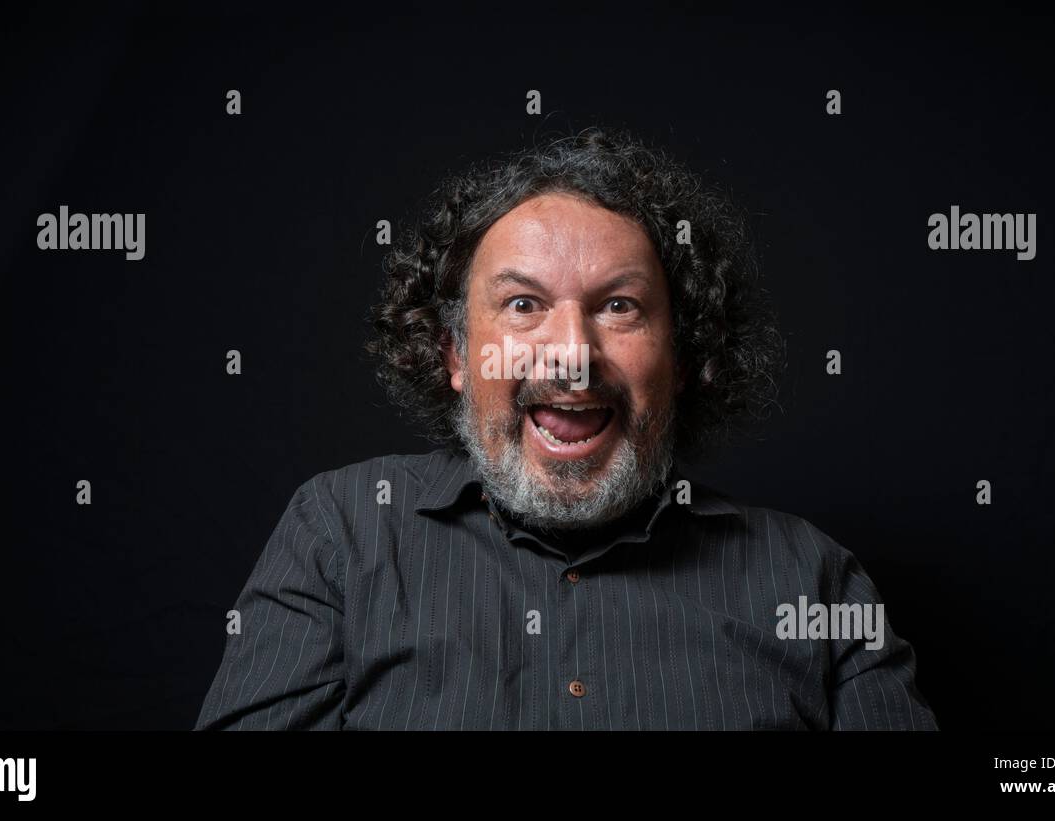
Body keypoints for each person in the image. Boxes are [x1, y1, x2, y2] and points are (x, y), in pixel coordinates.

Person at [195, 127, 938, 730]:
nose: (572, 354)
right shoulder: (341, 534)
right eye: (522, 305)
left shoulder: (811, 578)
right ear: (455, 352)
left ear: (683, 357)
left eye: (620, 306)